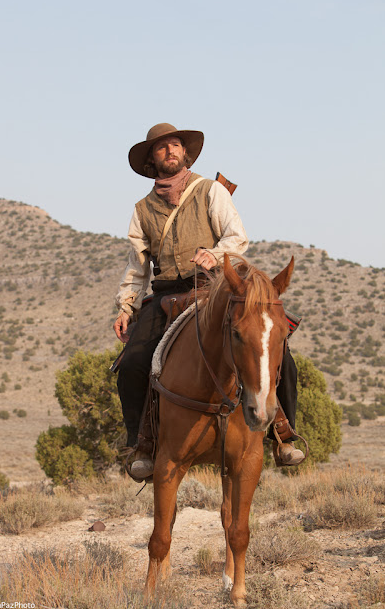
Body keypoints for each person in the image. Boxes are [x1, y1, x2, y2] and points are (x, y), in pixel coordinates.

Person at [113, 123, 303, 478]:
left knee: (278, 351)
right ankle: (142, 443)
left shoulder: (211, 191)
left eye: (175, 145)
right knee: (133, 364)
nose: (170, 151)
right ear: (152, 160)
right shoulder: (142, 210)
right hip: (166, 294)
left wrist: (214, 254)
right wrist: (127, 306)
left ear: (185, 153)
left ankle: (284, 433)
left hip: (213, 288)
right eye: (161, 147)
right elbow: (137, 267)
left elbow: (236, 237)